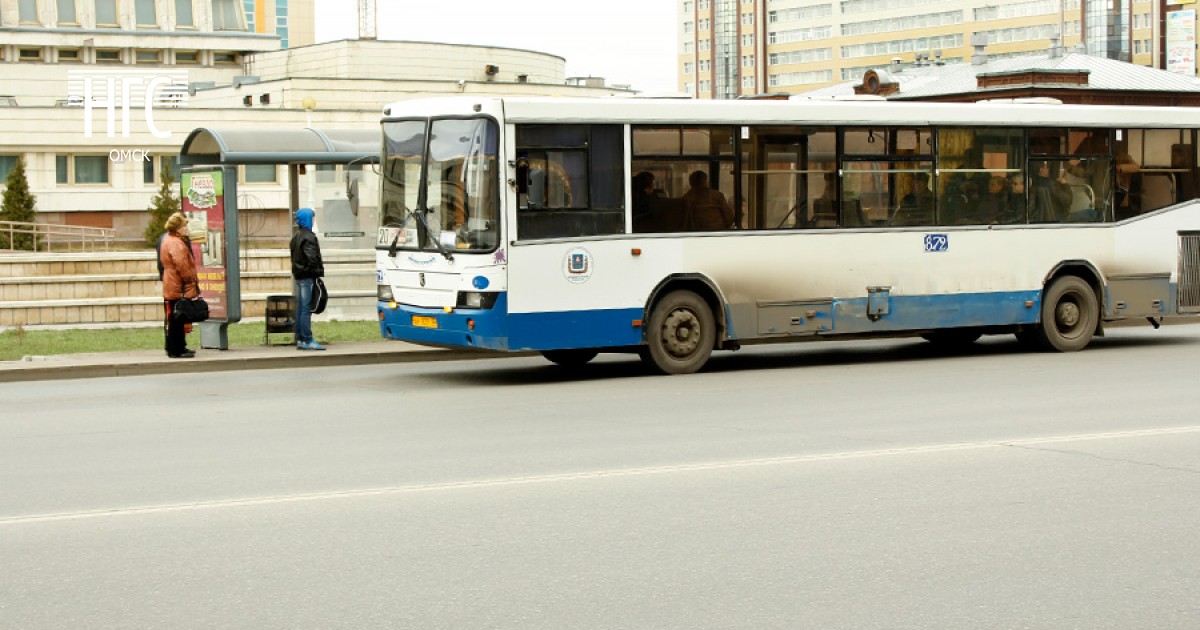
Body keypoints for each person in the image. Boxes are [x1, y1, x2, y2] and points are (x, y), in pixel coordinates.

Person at [159, 212, 199, 359]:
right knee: (177, 318)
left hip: (172, 282)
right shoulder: (176, 243)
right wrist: (190, 280)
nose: (186, 228)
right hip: (178, 284)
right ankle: (177, 349)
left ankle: (177, 347)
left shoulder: (169, 240)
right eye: (184, 225)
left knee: (176, 317)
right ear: (177, 228)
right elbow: (182, 265)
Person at [290, 207, 326, 351]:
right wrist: (317, 271)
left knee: (300, 308)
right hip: (307, 276)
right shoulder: (309, 237)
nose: (313, 220)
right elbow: (312, 258)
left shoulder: (296, 237)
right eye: (312, 217)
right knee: (306, 309)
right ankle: (307, 339)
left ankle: (300, 338)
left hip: (299, 275)